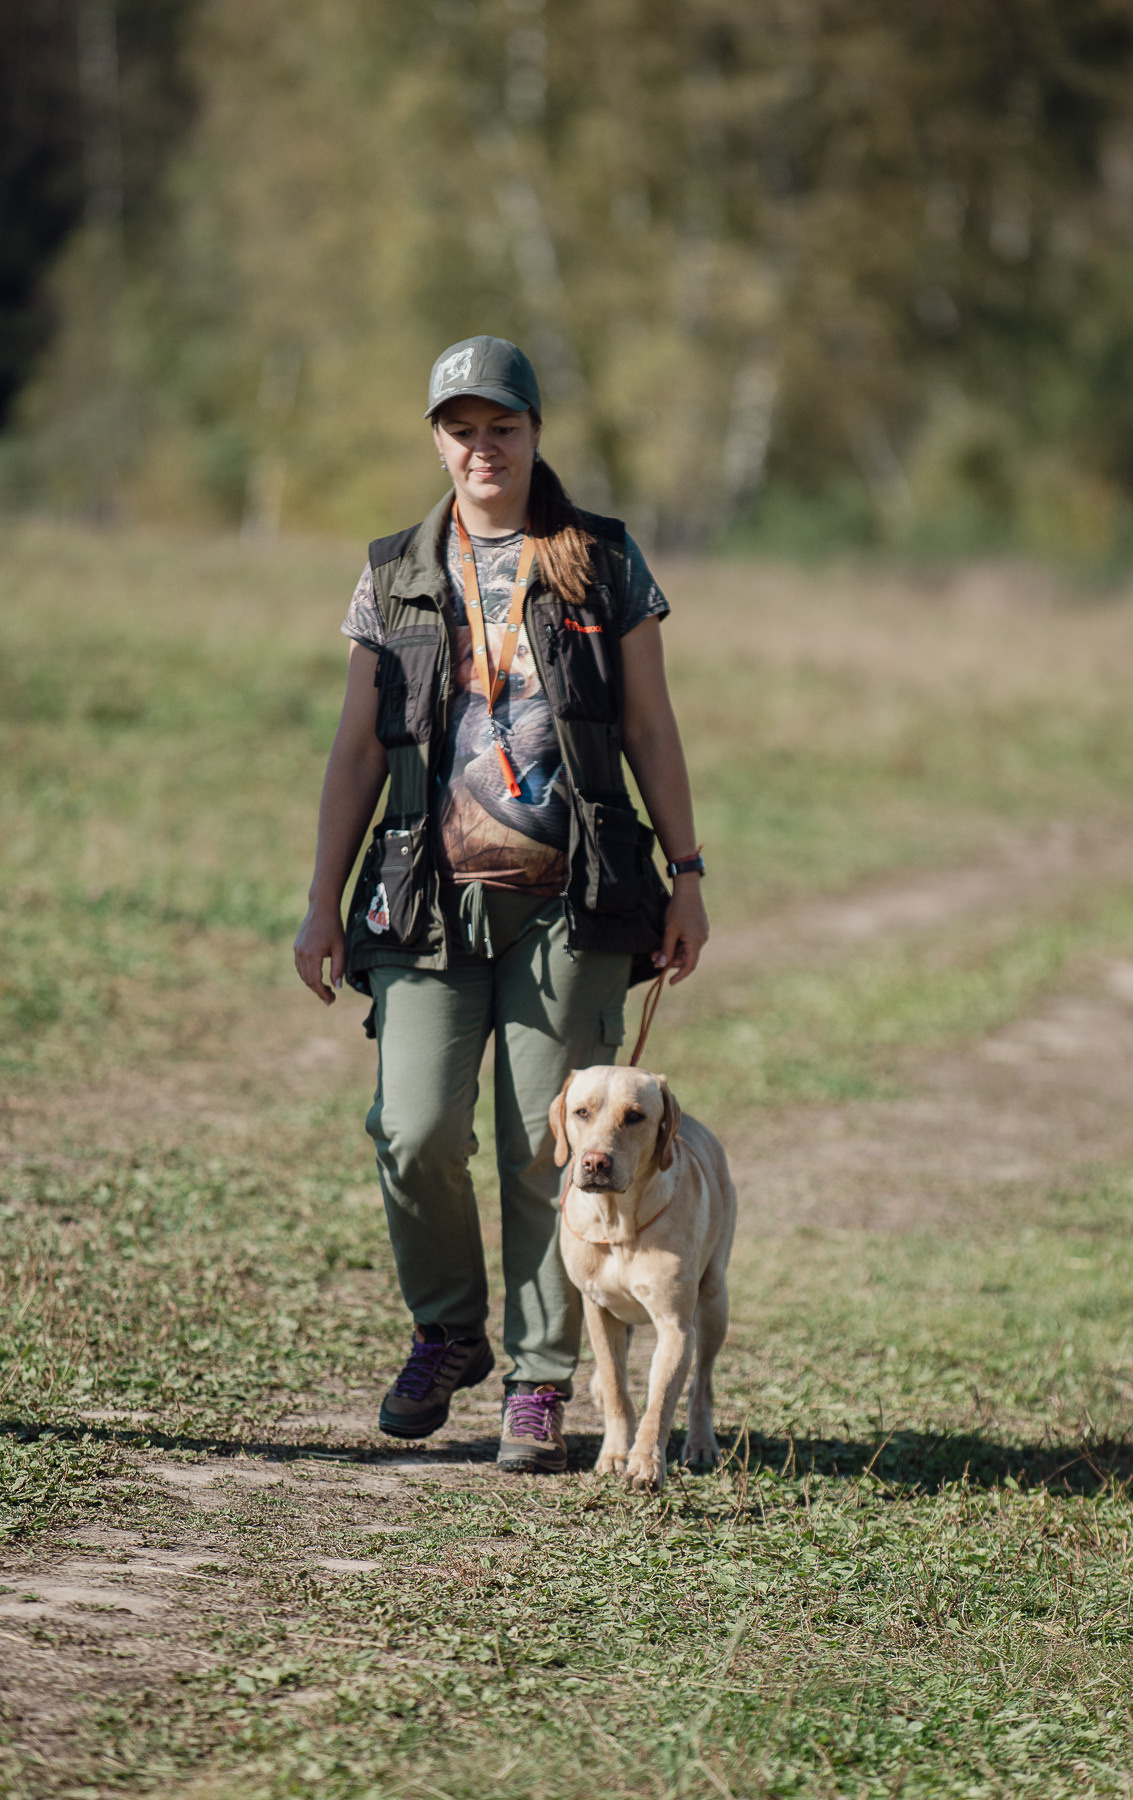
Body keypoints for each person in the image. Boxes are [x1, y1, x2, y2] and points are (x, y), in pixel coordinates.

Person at [294, 335, 709, 1474]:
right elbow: (352, 754)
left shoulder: (603, 562)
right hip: (425, 903)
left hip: (574, 901)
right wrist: (320, 902)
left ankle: (537, 1381)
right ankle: (446, 1332)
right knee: (412, 1128)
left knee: (553, 1146)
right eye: (461, 429)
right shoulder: (391, 574)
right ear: (437, 439)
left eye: (504, 428)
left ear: (534, 433)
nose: (483, 448)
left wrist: (686, 870)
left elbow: (647, 729)